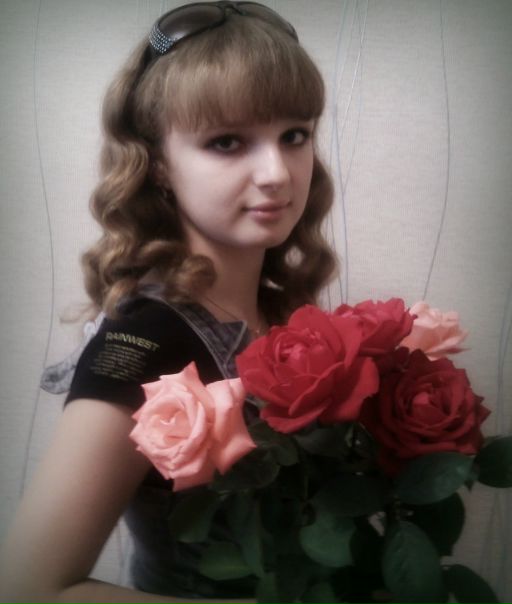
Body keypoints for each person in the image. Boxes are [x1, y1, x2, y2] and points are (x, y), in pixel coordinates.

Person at [0, 2, 337, 602]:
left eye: (295, 135)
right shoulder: (148, 338)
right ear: (157, 163)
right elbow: (30, 588)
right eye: (227, 141)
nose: (277, 173)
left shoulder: (277, 308)